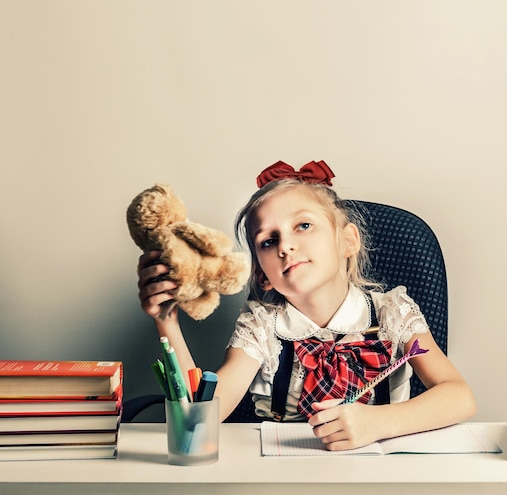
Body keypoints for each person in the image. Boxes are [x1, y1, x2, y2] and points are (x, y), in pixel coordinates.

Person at [137, 160, 476, 451]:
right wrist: (167, 323)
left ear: (348, 241)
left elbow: (460, 397)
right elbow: (197, 421)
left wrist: (377, 423)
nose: (286, 246)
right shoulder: (261, 326)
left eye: (303, 225)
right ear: (263, 274)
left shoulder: (393, 313)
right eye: (268, 241)